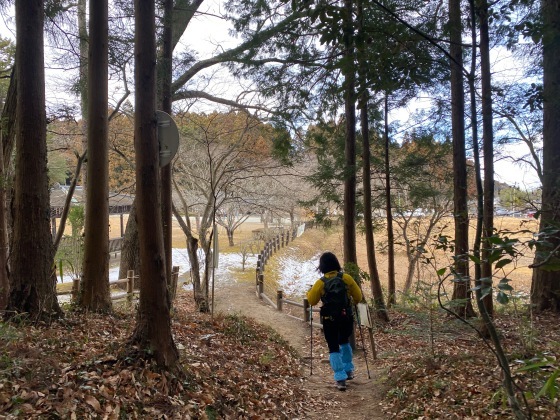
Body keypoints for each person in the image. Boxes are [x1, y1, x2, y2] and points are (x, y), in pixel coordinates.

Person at [307, 252, 362, 391]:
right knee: (344, 341)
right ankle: (349, 370)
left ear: (322, 266)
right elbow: (358, 297)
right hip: (345, 317)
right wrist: (350, 304)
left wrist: (309, 292)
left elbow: (312, 301)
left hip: (329, 320)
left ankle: (340, 378)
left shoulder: (320, 283)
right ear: (336, 263)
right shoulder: (346, 278)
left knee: (333, 347)